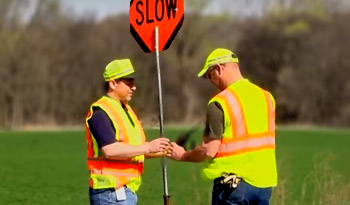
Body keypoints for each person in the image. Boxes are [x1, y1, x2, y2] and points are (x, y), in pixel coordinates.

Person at [169, 48, 277, 204]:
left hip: (234, 186)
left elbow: (209, 150)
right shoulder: (266, 97)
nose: (210, 81)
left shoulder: (220, 102)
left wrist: (182, 155)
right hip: (265, 184)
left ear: (218, 69)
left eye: (209, 76)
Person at [85, 59, 170, 205]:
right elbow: (110, 150)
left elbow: (133, 149)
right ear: (113, 83)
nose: (134, 87)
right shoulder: (100, 112)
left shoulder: (126, 110)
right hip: (110, 192)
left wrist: (164, 150)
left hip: (125, 191)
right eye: (129, 83)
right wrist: (148, 147)